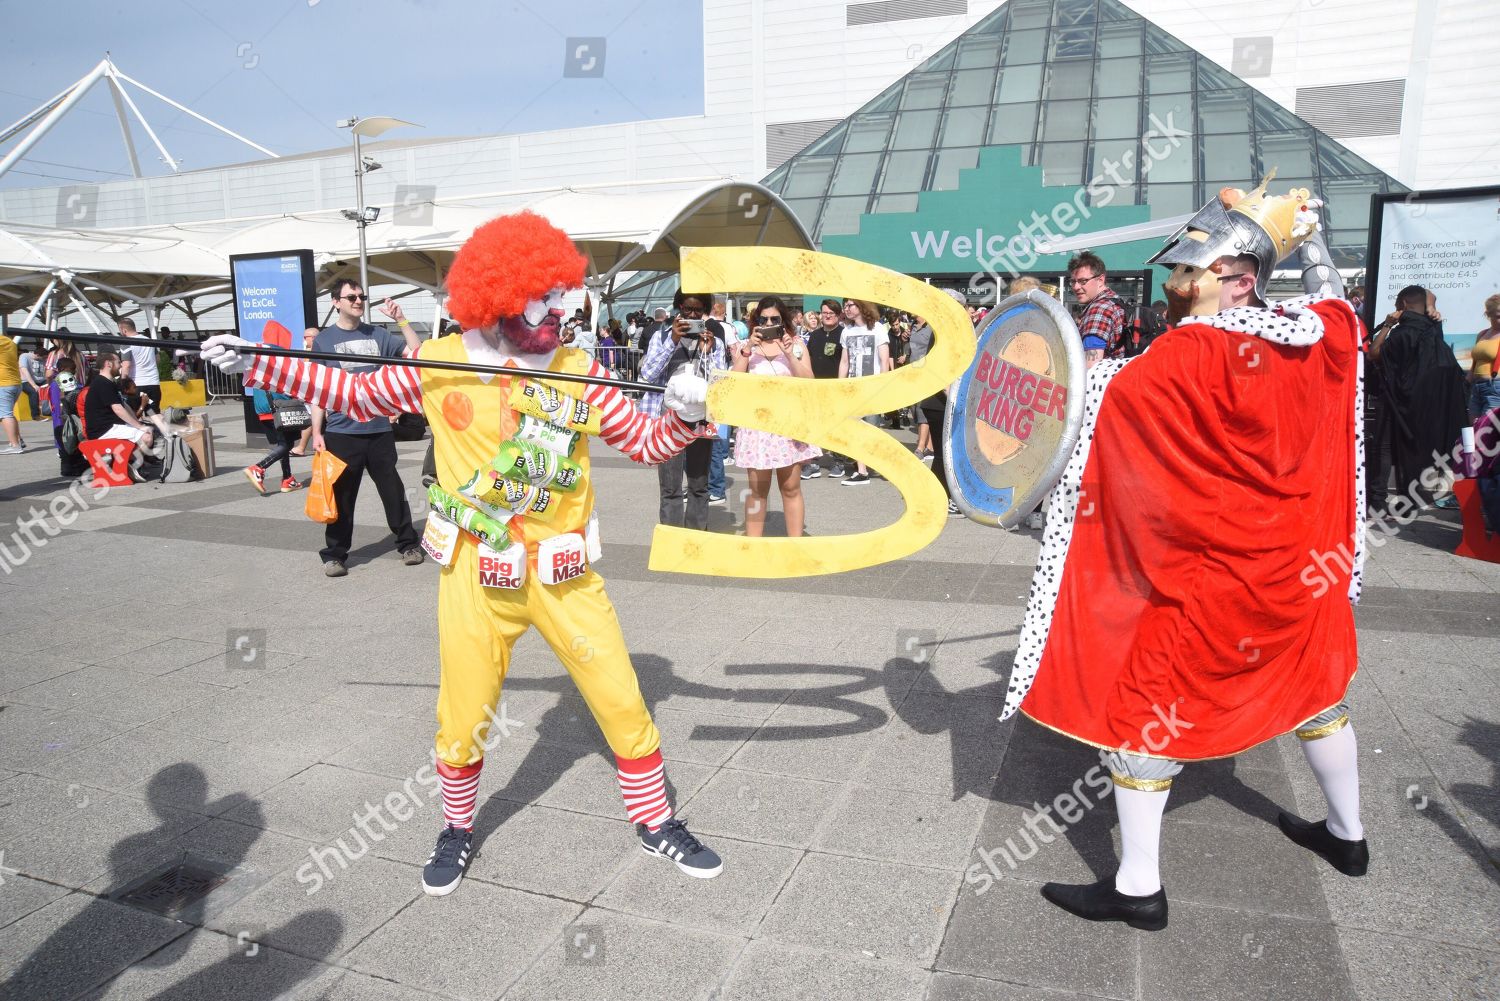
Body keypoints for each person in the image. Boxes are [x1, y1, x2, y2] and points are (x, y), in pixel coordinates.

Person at [202, 209, 721, 896]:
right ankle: (456, 825)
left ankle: (655, 820)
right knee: (463, 713)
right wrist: (265, 365)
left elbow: (647, 442)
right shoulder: (439, 361)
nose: (555, 310)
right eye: (541, 297)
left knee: (622, 698)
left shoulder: (578, 367)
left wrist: (684, 416)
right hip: (476, 575)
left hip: (564, 575)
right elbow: (355, 392)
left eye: (558, 296)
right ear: (498, 295)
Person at [1006, 183, 1367, 932]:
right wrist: (1313, 241)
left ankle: (1138, 886)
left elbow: (1082, 399)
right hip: (1298, 576)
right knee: (1314, 692)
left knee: (1149, 713)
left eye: (1189, 274)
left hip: (1212, 582)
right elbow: (1344, 314)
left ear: (1236, 277)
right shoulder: (1313, 335)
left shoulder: (1189, 351)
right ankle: (1348, 836)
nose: (1174, 286)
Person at [307, 281, 423, 577]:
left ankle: (408, 545)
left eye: (361, 297)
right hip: (342, 433)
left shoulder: (379, 334)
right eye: (351, 297)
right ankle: (334, 555)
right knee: (343, 496)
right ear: (336, 302)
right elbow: (320, 390)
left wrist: (401, 318)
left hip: (379, 430)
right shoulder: (325, 341)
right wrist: (317, 432)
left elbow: (417, 351)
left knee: (393, 492)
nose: (358, 301)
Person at [1369, 285, 1467, 506]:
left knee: (1383, 447)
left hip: (1394, 399)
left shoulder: (1400, 333)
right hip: (1420, 403)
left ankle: (1377, 500)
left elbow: (1374, 353)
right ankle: (1409, 498)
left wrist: (1386, 325)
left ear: (1403, 305)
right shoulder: (1432, 332)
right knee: (1410, 448)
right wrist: (1432, 306)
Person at [732, 296, 818, 537]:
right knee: (757, 490)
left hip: (788, 425)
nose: (769, 323)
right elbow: (733, 380)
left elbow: (809, 381)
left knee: (791, 488)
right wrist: (748, 348)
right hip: (756, 426)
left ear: (784, 320)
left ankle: (795, 545)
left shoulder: (797, 344)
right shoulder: (745, 347)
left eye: (774, 319)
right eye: (764, 319)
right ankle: (753, 546)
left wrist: (790, 354)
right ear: (755, 320)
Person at [642, 291, 726, 528]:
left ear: (705, 312)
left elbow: (720, 385)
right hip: (668, 418)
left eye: (698, 311)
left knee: (699, 484)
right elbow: (648, 375)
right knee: (669, 484)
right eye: (687, 309)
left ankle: (696, 537)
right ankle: (672, 537)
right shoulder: (661, 337)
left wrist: (708, 353)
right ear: (678, 307)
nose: (692, 315)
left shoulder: (714, 342)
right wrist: (673, 342)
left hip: (701, 418)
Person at [838, 299, 890, 485]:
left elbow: (884, 360)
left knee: (873, 429)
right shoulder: (846, 331)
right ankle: (862, 471)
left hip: (873, 387)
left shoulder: (877, 328)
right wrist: (840, 386)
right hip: (852, 388)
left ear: (861, 306)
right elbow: (844, 361)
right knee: (856, 430)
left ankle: (885, 464)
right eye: (845, 306)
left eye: (850, 305)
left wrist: (883, 386)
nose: (847, 309)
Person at [801, 298, 846, 479]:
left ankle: (838, 460)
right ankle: (813, 462)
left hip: (836, 387)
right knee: (814, 425)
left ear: (838, 315)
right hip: (815, 387)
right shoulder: (815, 335)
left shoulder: (843, 334)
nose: (826, 316)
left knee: (836, 426)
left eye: (831, 313)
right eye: (824, 312)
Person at [1068, 251, 1127, 366]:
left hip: (1100, 382)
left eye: (1083, 281)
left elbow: (1090, 365)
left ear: (1100, 280)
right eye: (1073, 281)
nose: (1076, 287)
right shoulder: (1114, 300)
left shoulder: (1099, 309)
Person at [245, 385, 305, 494]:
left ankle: (288, 479)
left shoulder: (256, 367)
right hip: (279, 406)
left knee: (283, 443)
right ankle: (259, 467)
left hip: (263, 407)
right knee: (286, 445)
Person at [116, 318, 163, 411]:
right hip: (154, 383)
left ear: (124, 330)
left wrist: (123, 383)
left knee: (136, 414)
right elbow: (158, 359)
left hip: (137, 385)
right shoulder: (149, 341)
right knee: (154, 413)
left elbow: (126, 365)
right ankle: (160, 426)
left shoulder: (126, 343)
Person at [1468, 293, 1500, 419]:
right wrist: (1468, 380)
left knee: (1489, 428)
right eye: (1498, 316)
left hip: (1496, 386)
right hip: (1477, 386)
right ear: (1488, 315)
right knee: (1475, 427)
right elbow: (1475, 362)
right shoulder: (1482, 334)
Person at [0, 328, 24, 454]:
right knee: (8, 413)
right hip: (15, 382)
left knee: (5, 414)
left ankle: (15, 445)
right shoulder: (9, 341)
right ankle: (17, 440)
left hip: (3, 384)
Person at [18, 339, 45, 421]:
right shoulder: (25, 356)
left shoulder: (43, 359)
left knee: (54, 387)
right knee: (33, 392)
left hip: (40, 380)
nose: (43, 360)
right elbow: (24, 370)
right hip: (25, 381)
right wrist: (33, 385)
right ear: (37, 355)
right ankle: (35, 415)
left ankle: (52, 411)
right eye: (42, 358)